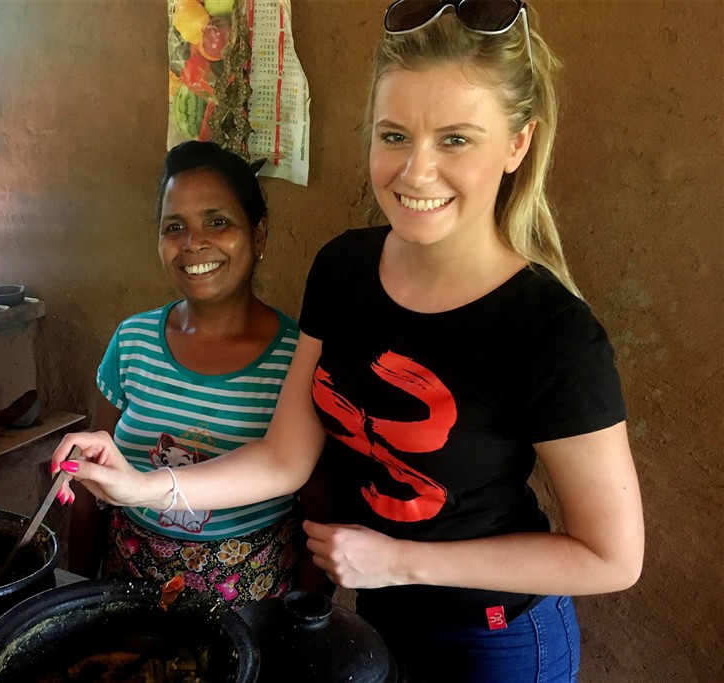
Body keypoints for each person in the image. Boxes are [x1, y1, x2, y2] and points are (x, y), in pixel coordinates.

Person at [53, 2, 644, 680]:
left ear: (517, 143)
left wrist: (401, 561)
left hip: (496, 636)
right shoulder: (344, 270)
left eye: (455, 139)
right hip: (382, 610)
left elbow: (612, 557)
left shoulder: (550, 331)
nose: (415, 172)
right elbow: (284, 458)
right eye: (395, 136)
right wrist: (142, 486)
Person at [66, 140, 303, 610]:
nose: (193, 242)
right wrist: (76, 591)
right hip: (128, 586)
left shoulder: (296, 357)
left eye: (217, 222)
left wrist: (302, 623)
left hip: (249, 602)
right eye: (174, 227)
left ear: (258, 236)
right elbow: (92, 484)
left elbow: (321, 507)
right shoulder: (133, 341)